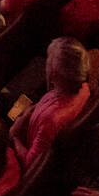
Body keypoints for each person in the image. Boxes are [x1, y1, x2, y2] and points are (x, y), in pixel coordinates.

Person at [11, 37, 90, 167]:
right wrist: (29, 112)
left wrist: (14, 137)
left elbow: (30, 163)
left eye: (48, 59)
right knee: (24, 93)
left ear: (53, 73)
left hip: (20, 137)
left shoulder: (51, 120)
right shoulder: (84, 89)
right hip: (32, 111)